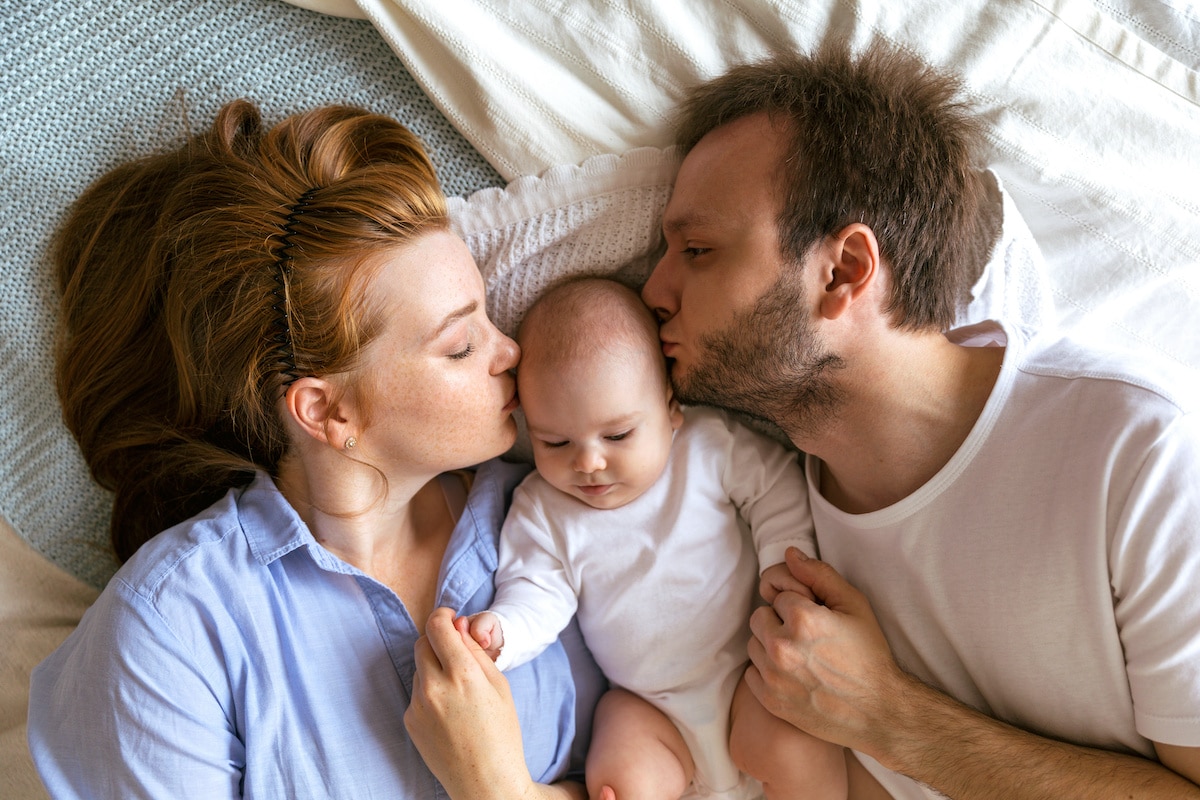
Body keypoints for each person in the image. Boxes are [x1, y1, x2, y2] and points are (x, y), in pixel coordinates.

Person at [640, 41, 1200, 799]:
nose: (654, 288)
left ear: (843, 272)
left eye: (698, 249)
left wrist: (886, 716)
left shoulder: (1140, 452)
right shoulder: (764, 509)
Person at [27, 99, 600, 799]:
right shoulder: (172, 630)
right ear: (326, 411)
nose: (509, 350)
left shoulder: (566, 511)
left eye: (486, 311)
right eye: (460, 344)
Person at [464, 276, 851, 800]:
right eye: (554, 442)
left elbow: (776, 489)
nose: (588, 462)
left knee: (801, 748)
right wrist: (503, 633)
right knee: (621, 761)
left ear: (670, 409)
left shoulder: (705, 446)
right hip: (649, 704)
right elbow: (538, 593)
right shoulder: (542, 508)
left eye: (618, 435)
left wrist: (781, 567)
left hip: (752, 673)